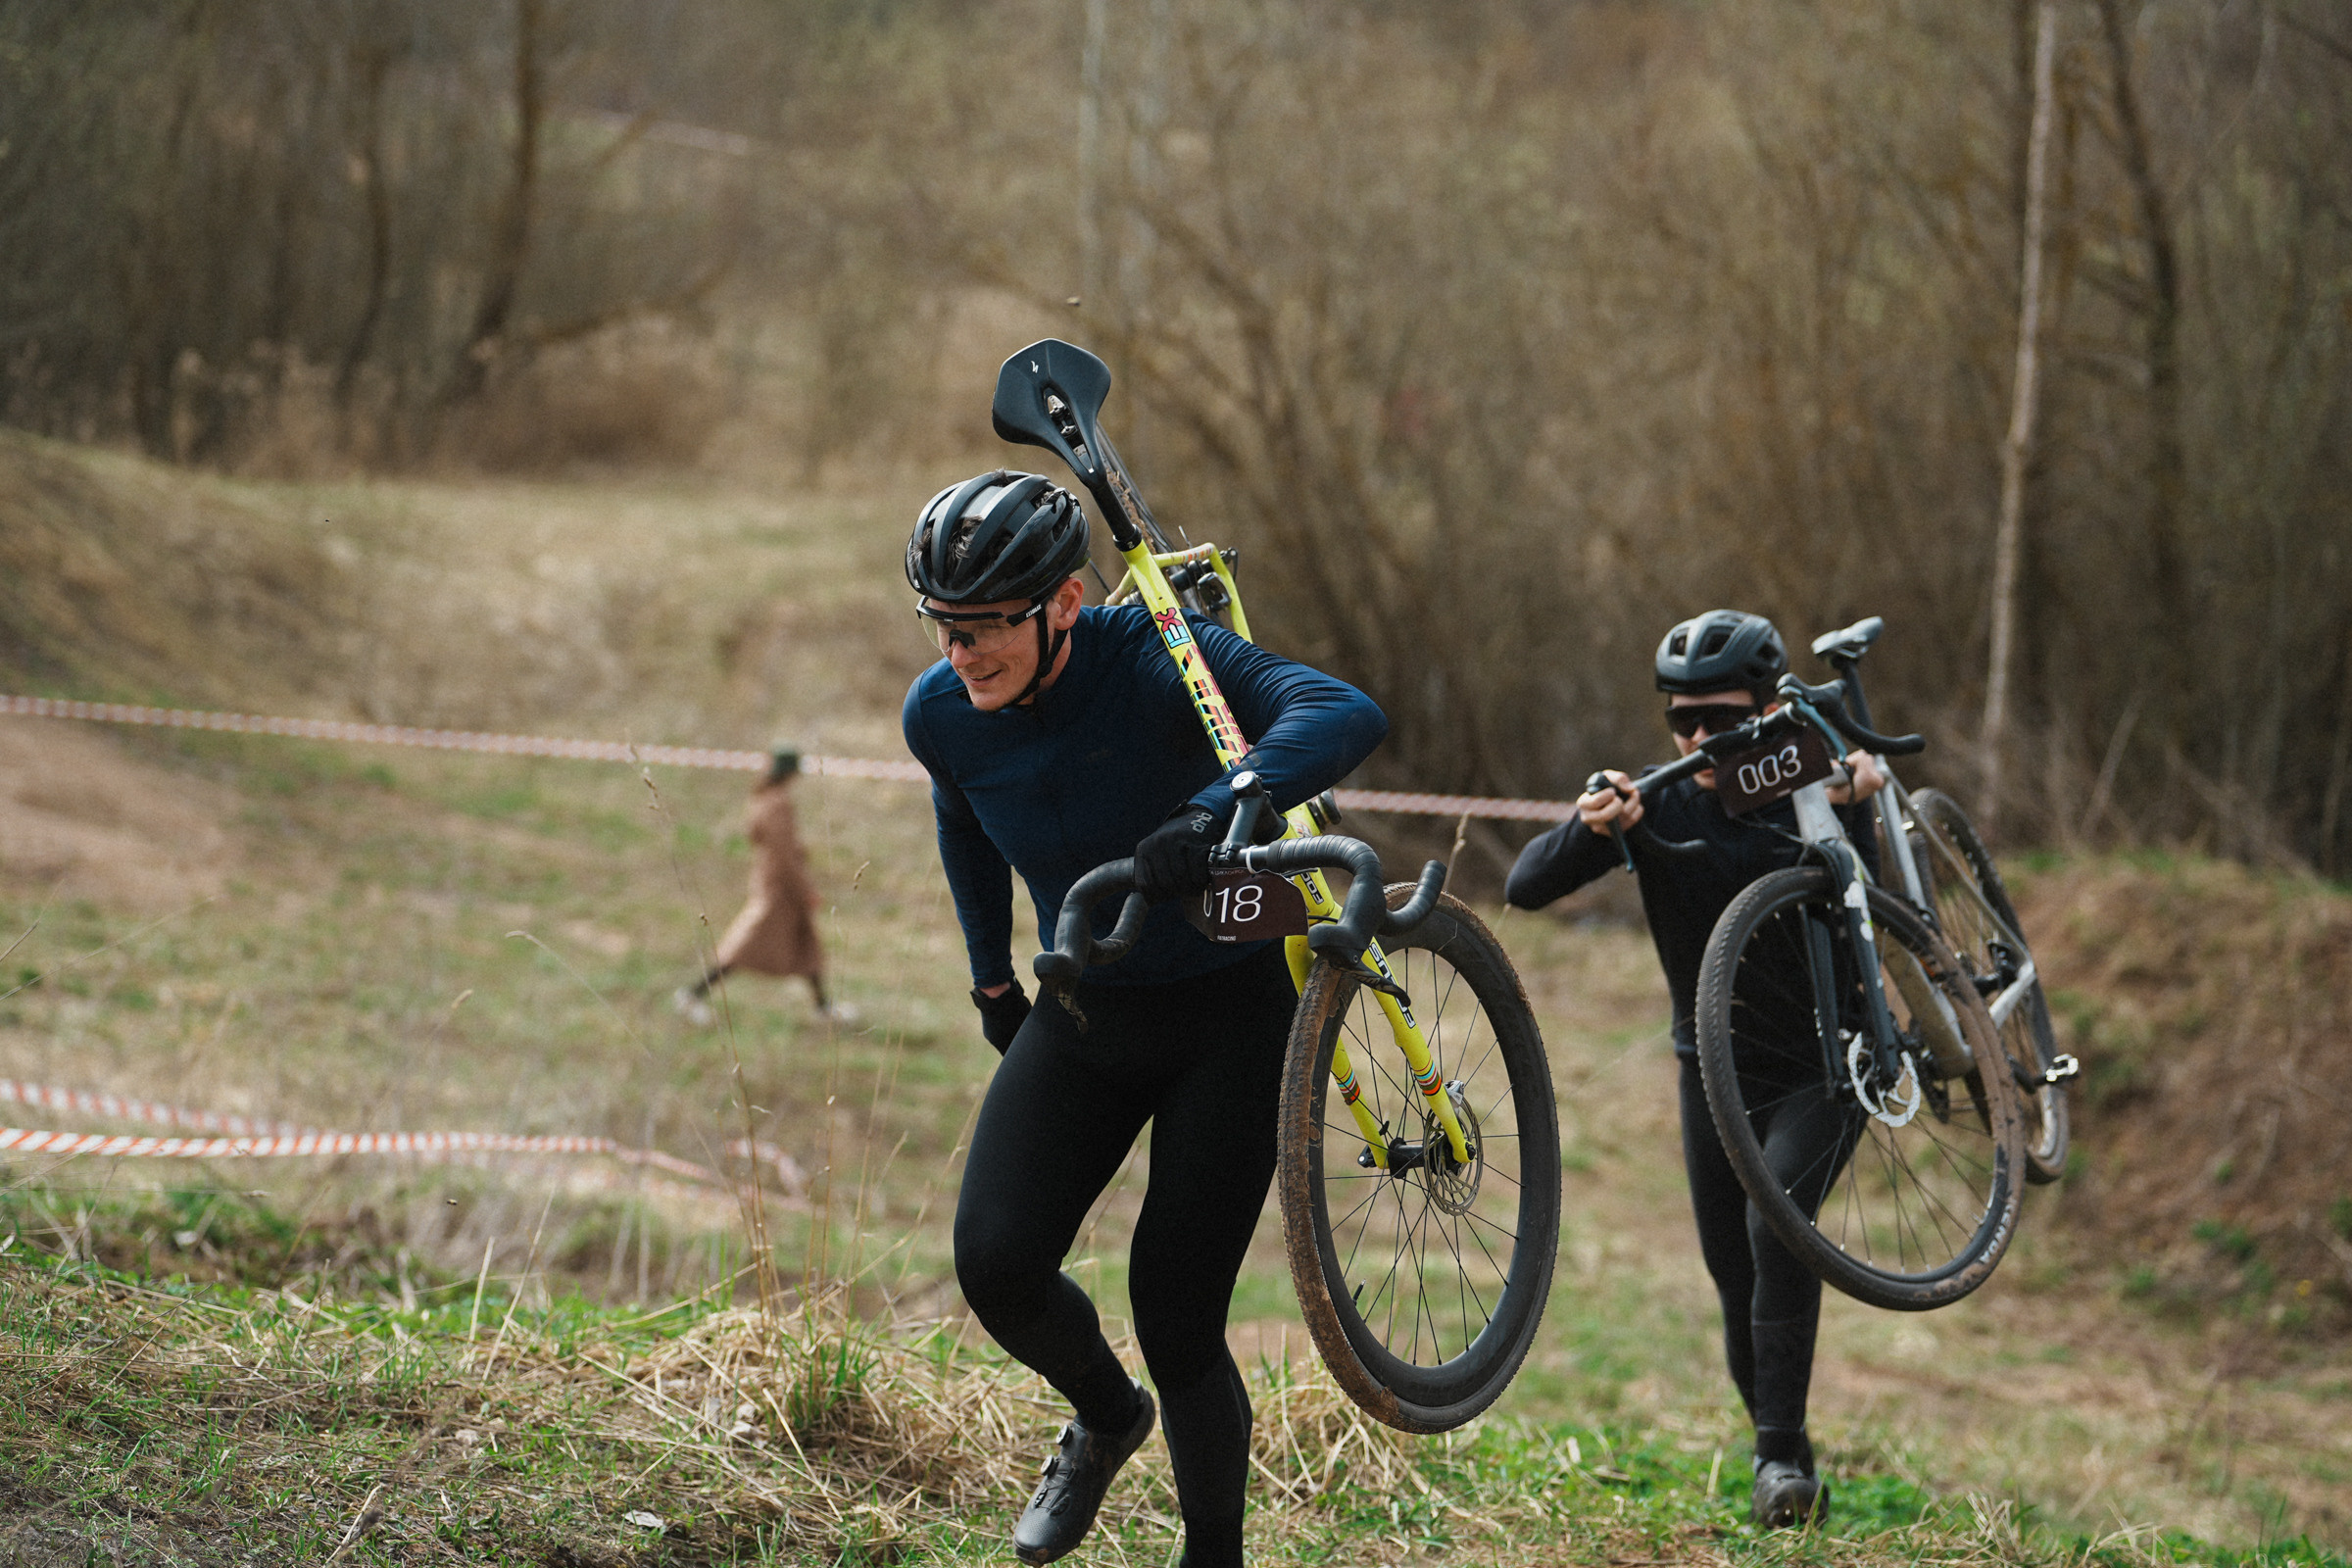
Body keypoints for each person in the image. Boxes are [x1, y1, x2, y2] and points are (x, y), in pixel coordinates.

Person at [900, 469, 1386, 1568]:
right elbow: (962, 818)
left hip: (1229, 1014)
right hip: (1088, 1005)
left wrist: (1217, 806)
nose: (958, 654)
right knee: (997, 1260)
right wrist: (990, 980)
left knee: (1175, 1312)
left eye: (982, 630)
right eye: (942, 628)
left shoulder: (1161, 655)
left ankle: (1214, 1552)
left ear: (1063, 602)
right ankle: (1107, 1417)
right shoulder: (941, 712)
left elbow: (1344, 710)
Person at [1503, 609, 1885, 1530]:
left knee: (1776, 1221)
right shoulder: (1662, 800)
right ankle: (1783, 1454)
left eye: (1722, 717)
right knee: (1732, 1270)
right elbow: (1523, 887)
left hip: (1824, 1066)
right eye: (1684, 721)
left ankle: (1776, 1456)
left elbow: (1879, 911)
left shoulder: (1809, 789)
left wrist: (1860, 807)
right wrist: (1593, 830)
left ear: (1767, 705)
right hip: (1709, 1071)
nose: (1702, 739)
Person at [674, 748, 846, 1025]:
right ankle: (693, 994)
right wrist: (805, 888)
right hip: (780, 888)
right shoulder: (777, 805)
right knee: (744, 946)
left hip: (777, 883)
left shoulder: (765, 800)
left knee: (807, 944)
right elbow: (784, 854)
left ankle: (822, 1005)